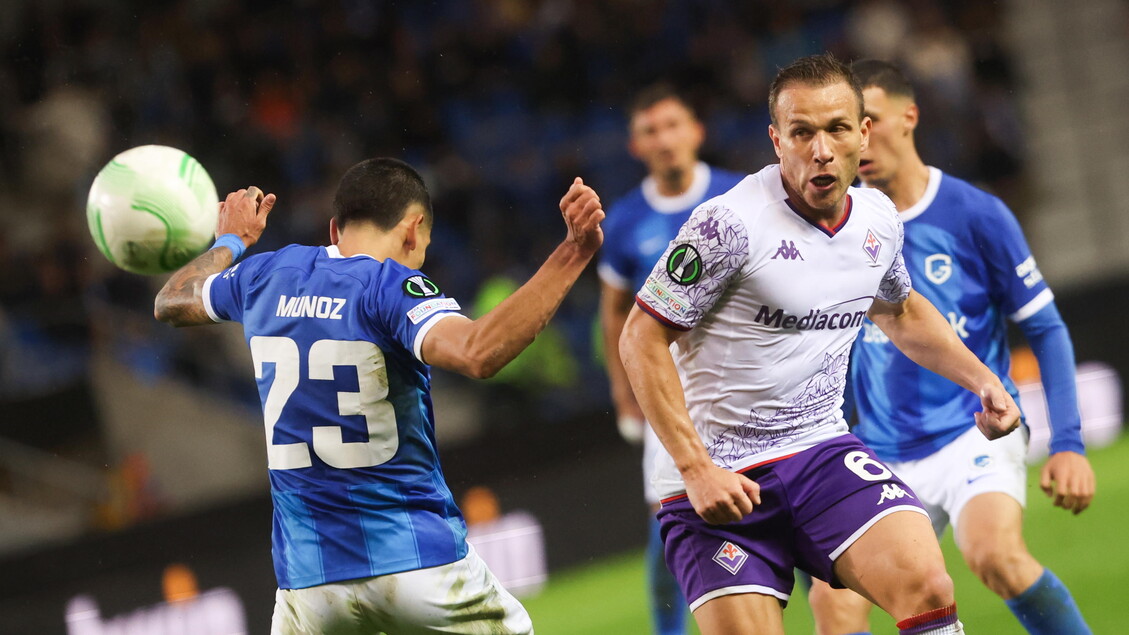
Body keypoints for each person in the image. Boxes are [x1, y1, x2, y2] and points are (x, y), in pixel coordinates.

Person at [618, 53, 1021, 635]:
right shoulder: (726, 225)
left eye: (836, 129)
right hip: (719, 481)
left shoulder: (878, 219)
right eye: (802, 132)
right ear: (776, 140)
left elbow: (900, 311)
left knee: (928, 586)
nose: (821, 149)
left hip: (819, 452)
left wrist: (984, 380)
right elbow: (641, 335)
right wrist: (695, 468)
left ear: (863, 133)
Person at [154, 158, 604, 634]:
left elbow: (171, 301)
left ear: (334, 228)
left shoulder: (267, 276)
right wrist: (574, 251)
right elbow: (479, 352)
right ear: (413, 229)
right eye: (424, 244)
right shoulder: (390, 287)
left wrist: (232, 241)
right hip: (417, 563)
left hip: (309, 586)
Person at [805, 59, 1095, 635]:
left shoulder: (974, 214)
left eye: (873, 121)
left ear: (909, 117)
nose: (858, 141)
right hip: (880, 450)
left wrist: (1068, 442)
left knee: (993, 557)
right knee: (832, 605)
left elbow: (1045, 329)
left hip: (971, 433)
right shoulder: (829, 228)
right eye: (846, 126)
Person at [598, 82, 744, 635]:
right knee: (669, 524)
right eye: (649, 131)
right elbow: (614, 314)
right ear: (636, 146)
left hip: (749, 380)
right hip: (669, 388)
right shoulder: (627, 221)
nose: (664, 140)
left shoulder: (739, 196)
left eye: (673, 125)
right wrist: (622, 391)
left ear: (696, 131)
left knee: (792, 506)